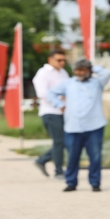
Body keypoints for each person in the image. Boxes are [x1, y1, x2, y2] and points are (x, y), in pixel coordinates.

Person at [46, 58, 110, 192]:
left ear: (89, 71)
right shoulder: (69, 83)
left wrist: (94, 67)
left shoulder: (97, 82)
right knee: (72, 157)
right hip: (72, 127)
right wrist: (59, 105)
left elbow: (107, 73)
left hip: (95, 126)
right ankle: (71, 182)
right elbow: (50, 93)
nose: (79, 72)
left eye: (82, 70)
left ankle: (95, 183)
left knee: (95, 157)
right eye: (77, 70)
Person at [32, 50, 69, 179]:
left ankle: (42, 160)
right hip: (51, 111)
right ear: (50, 59)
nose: (62, 63)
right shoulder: (43, 73)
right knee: (59, 141)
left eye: (64, 60)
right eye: (59, 60)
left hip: (65, 111)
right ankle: (59, 171)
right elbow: (42, 93)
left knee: (67, 141)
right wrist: (60, 102)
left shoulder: (63, 72)